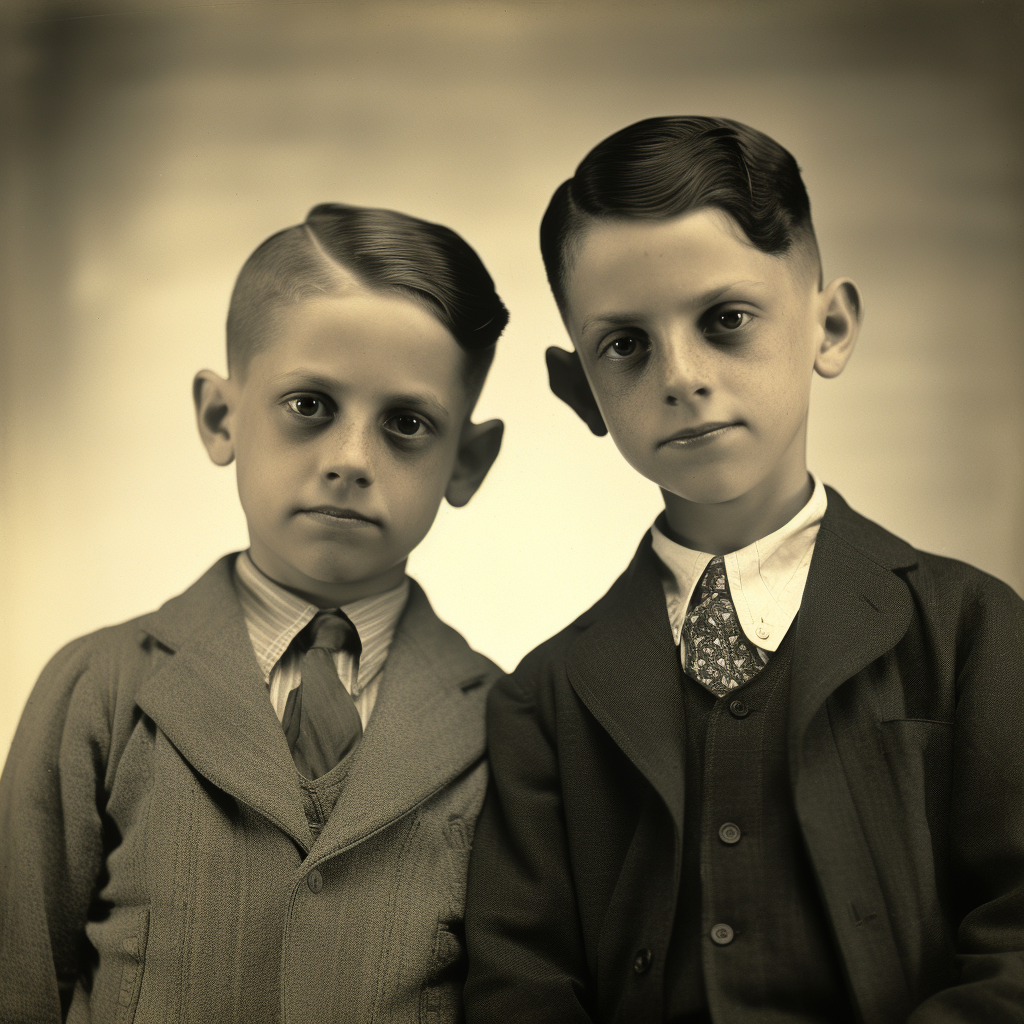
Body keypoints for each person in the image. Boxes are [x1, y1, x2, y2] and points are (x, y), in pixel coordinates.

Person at [463, 117, 1024, 1023]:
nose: (681, 376)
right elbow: (519, 981)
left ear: (828, 326)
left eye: (725, 321)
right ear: (582, 393)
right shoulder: (545, 700)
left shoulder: (971, 632)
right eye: (627, 345)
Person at [0, 202, 509, 1023]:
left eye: (407, 424)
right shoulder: (97, 690)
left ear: (468, 461)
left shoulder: (505, 726)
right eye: (309, 406)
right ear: (219, 416)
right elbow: (17, 979)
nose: (350, 460)